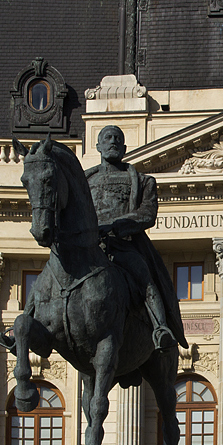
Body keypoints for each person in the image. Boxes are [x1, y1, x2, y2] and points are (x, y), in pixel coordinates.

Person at [85, 125, 187, 351]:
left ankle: (160, 328)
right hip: (89, 247)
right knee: (53, 274)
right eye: (107, 138)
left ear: (124, 148)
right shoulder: (85, 180)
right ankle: (29, 322)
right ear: (98, 146)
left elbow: (147, 214)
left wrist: (116, 226)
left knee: (145, 278)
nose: (112, 141)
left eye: (117, 139)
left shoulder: (141, 181)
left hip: (122, 245)